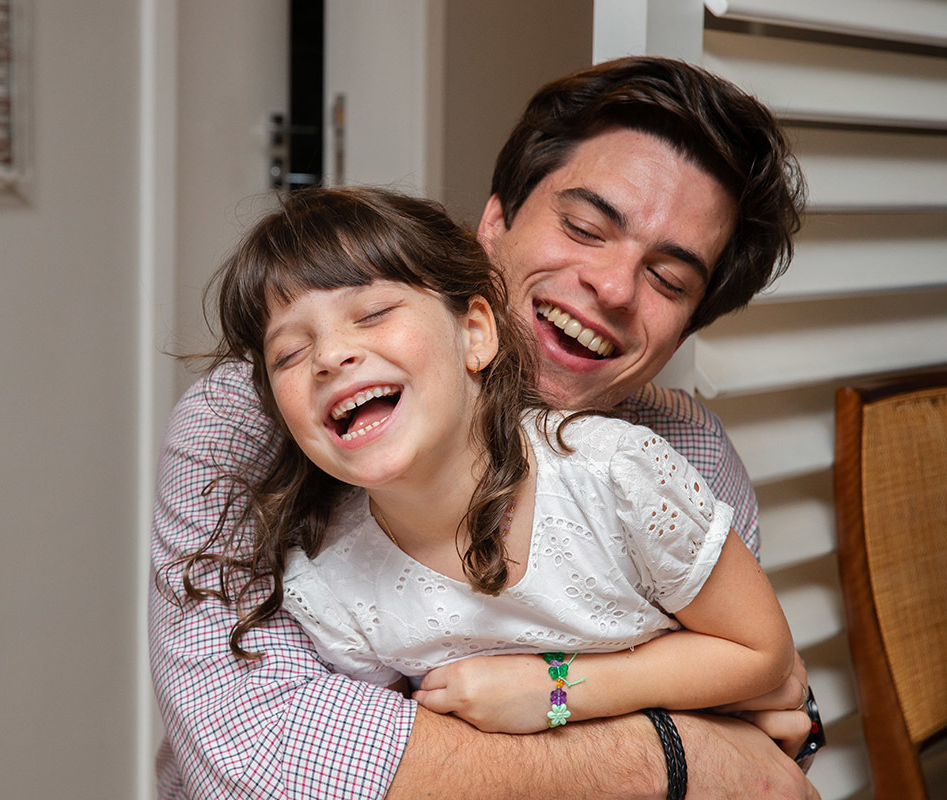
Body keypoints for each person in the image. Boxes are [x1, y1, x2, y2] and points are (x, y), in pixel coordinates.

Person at [151, 56, 813, 798]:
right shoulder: (255, 419)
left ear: (686, 327)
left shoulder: (675, 456)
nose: (613, 288)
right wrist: (676, 751)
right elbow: (260, 758)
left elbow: (775, 725)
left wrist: (738, 732)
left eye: (668, 279)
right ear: (494, 224)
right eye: (585, 227)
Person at [178, 185, 796, 738]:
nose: (329, 356)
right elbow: (412, 757)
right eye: (289, 353)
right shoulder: (331, 589)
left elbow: (762, 656)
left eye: (372, 314)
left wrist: (555, 692)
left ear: (475, 333)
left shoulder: (614, 475)